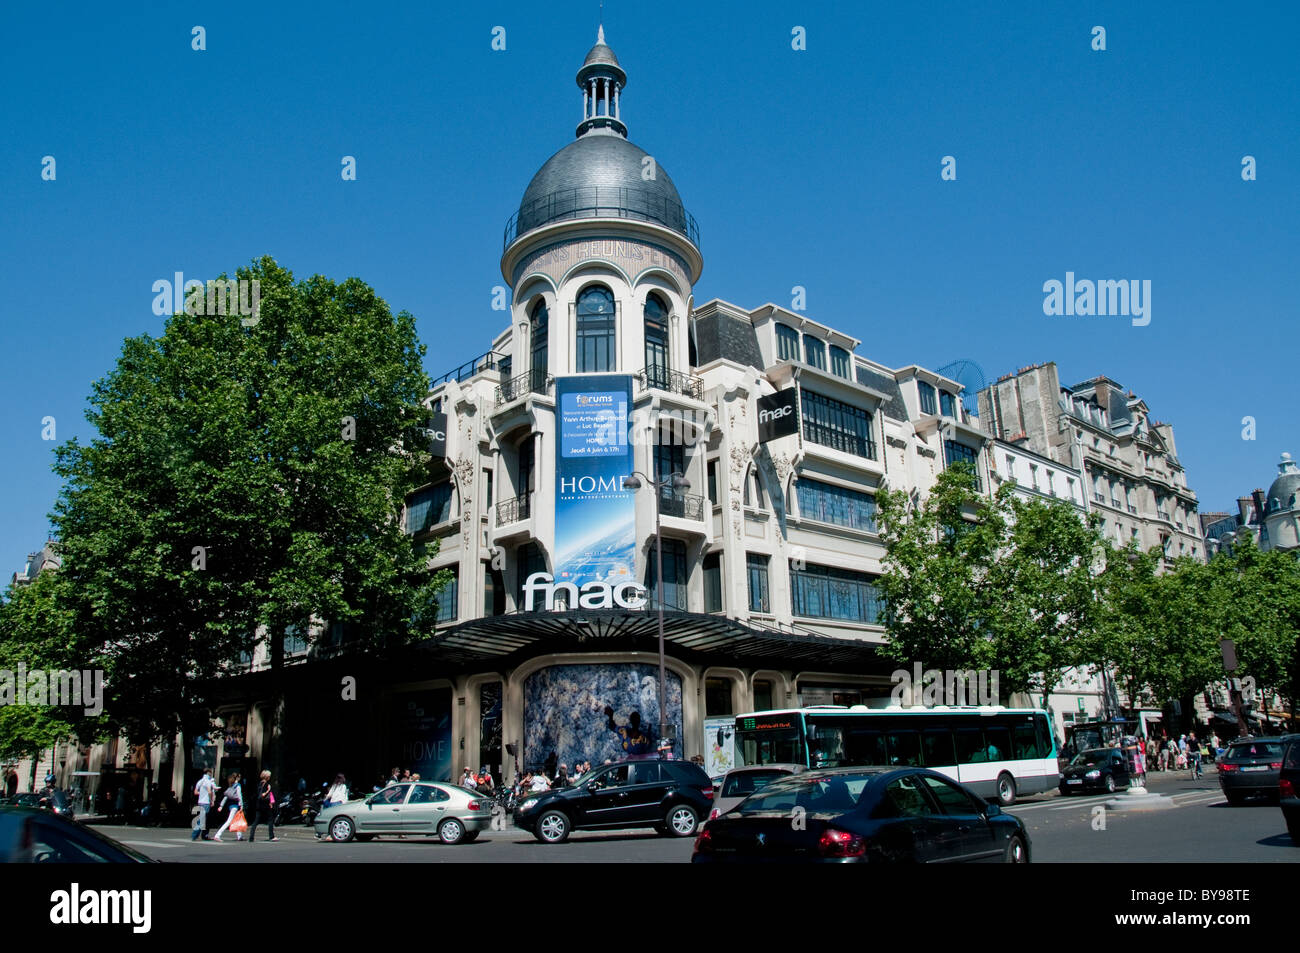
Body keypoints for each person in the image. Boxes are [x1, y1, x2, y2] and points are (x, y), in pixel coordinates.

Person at [213, 772, 244, 842]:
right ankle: (217, 835)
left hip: (230, 805)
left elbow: (226, 796)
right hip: (235, 805)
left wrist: (221, 805)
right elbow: (240, 796)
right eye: (240, 777)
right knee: (229, 821)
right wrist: (241, 805)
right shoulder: (238, 785)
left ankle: (240, 836)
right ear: (238, 778)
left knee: (237, 820)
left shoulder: (231, 785)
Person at [248, 770, 278, 843]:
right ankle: (272, 836)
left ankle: (251, 837)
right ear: (267, 777)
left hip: (259, 804)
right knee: (270, 819)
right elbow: (263, 795)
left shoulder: (259, 784)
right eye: (269, 776)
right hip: (265, 804)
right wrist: (268, 790)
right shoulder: (266, 784)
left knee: (256, 821)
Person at [192, 768, 216, 841]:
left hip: (200, 802)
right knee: (203, 820)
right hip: (206, 802)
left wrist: (202, 793)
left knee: (204, 819)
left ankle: (204, 835)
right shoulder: (208, 781)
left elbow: (195, 792)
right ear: (208, 773)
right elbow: (209, 792)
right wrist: (212, 800)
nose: (211, 774)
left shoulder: (200, 781)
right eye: (211, 773)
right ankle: (195, 835)